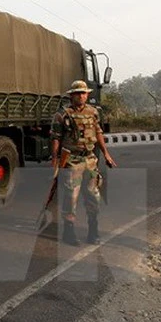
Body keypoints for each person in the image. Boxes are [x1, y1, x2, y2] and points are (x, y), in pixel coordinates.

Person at [50, 80, 117, 246]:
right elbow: (55, 137)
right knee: (71, 197)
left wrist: (106, 154)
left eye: (84, 93)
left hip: (90, 160)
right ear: (71, 95)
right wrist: (55, 159)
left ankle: (93, 231)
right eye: (78, 93)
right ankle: (69, 231)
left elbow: (98, 132)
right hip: (72, 160)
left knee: (93, 196)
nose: (81, 96)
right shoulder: (62, 114)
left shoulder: (93, 112)